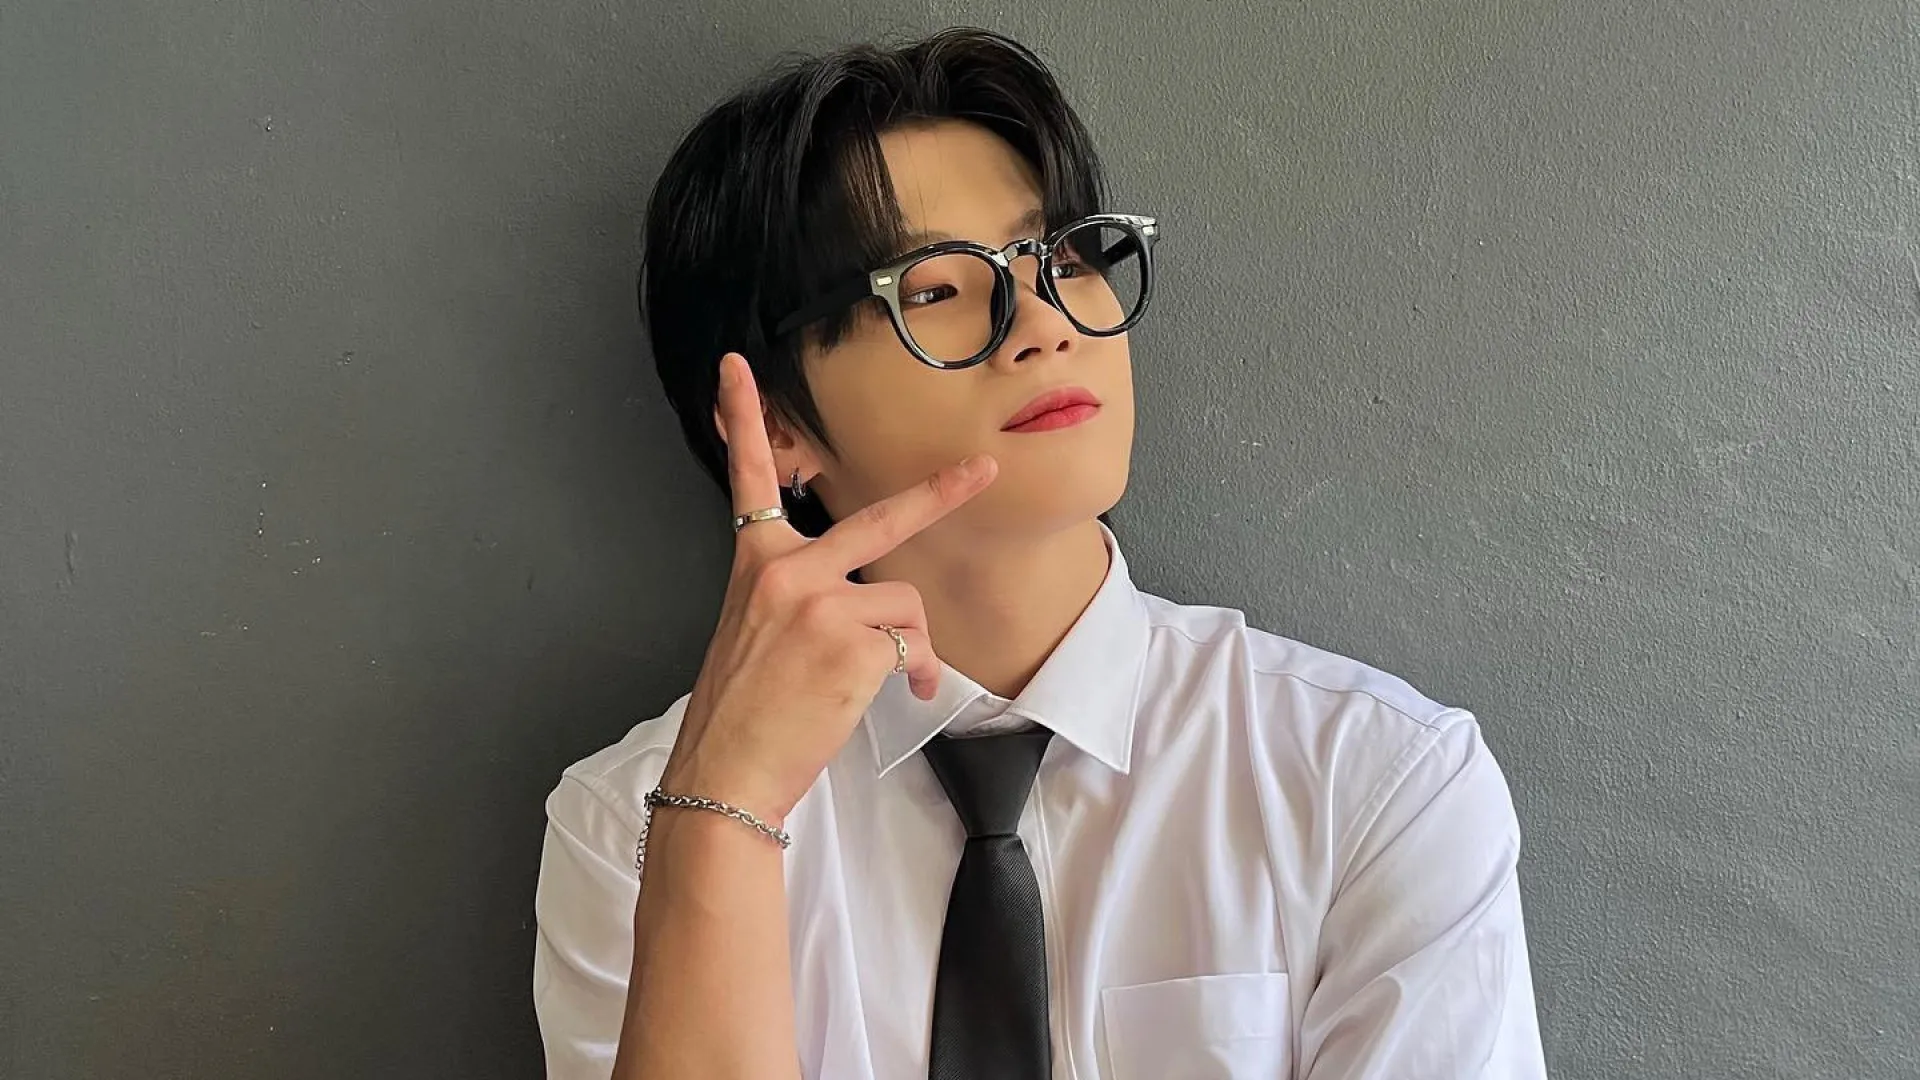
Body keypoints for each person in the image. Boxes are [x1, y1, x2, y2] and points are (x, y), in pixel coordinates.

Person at [533, 26, 1547, 1080]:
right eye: (934, 289)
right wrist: (722, 816)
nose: (1044, 323)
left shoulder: (1373, 779)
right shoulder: (635, 825)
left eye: (1060, 258)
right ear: (776, 421)